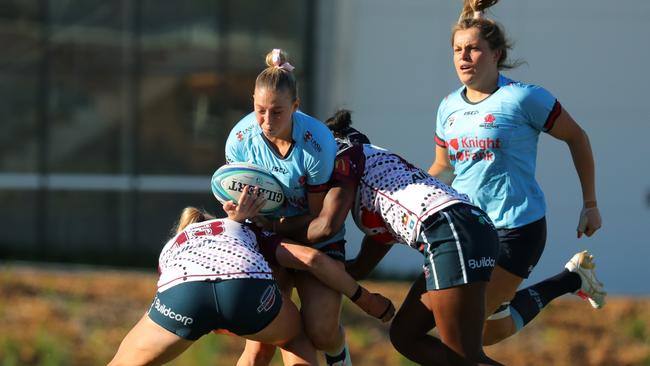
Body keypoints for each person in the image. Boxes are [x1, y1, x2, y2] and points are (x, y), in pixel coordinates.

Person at [426, 0, 605, 346]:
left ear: (497, 54)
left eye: (474, 49)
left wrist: (591, 203)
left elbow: (577, 137)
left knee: (462, 331)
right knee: (490, 331)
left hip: (516, 230)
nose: (464, 57)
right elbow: (443, 165)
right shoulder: (448, 105)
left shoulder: (523, 98)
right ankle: (572, 279)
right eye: (457, 50)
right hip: (469, 230)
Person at [265, 109, 503, 365]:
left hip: (451, 232)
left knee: (463, 359)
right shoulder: (367, 160)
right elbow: (366, 258)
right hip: (468, 227)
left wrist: (270, 227)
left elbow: (325, 227)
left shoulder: (344, 156)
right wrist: (326, 276)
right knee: (405, 336)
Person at [109, 186, 394, 366]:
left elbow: (174, 287)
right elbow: (312, 259)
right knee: (296, 338)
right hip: (243, 288)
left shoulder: (180, 242)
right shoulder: (251, 232)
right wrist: (364, 298)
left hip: (183, 292)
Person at [225, 48, 352, 366]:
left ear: (295, 107)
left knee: (322, 332)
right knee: (260, 344)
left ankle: (339, 353)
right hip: (266, 236)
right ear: (252, 101)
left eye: (277, 112)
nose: (267, 121)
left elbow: (316, 219)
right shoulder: (240, 141)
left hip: (311, 234)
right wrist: (239, 217)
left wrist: (274, 227)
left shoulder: (317, 143)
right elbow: (234, 206)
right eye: (259, 110)